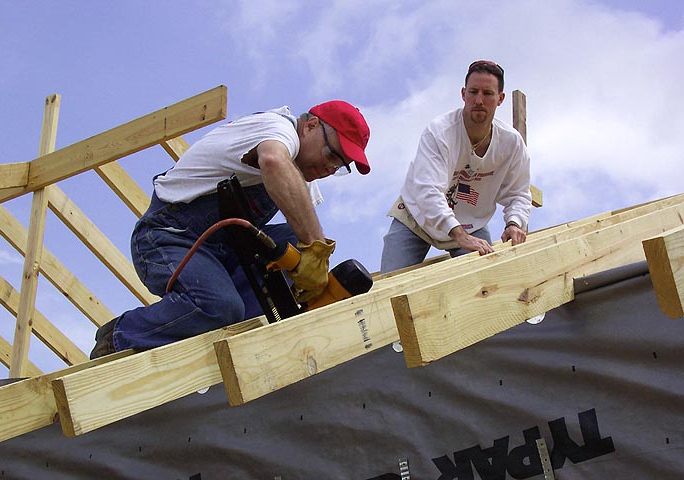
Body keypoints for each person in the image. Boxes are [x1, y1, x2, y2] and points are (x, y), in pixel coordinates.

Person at [90, 101, 371, 359]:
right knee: (219, 306)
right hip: (167, 237)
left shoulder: (302, 178)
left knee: (291, 241)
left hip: (223, 253)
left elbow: (301, 244)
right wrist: (317, 248)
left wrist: (310, 276)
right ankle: (120, 335)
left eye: (340, 166)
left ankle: (247, 337)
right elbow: (273, 161)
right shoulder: (276, 129)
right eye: (332, 154)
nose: (331, 168)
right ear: (310, 126)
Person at [380, 60, 531, 274]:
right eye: (473, 92)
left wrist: (514, 224)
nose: (479, 100)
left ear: (500, 99)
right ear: (463, 94)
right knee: (389, 287)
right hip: (417, 218)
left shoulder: (511, 143)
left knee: (489, 282)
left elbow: (518, 193)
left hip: (471, 225)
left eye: (488, 93)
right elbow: (428, 192)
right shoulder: (440, 132)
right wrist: (459, 235)